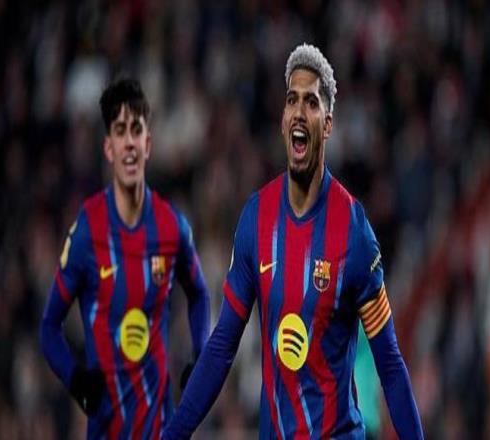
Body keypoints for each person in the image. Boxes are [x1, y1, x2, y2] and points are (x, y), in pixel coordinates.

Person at [163, 44, 424, 439]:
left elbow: (389, 362)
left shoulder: (354, 232)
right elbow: (222, 346)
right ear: (283, 121)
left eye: (311, 102)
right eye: (291, 100)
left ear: (328, 124)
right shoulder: (256, 218)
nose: (299, 111)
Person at [40, 78, 210, 439]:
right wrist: (77, 382)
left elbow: (199, 294)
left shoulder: (172, 227)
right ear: (109, 147)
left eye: (136, 130)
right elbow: (48, 327)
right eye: (120, 131)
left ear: (148, 144)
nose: (129, 142)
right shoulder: (88, 231)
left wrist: (200, 358)